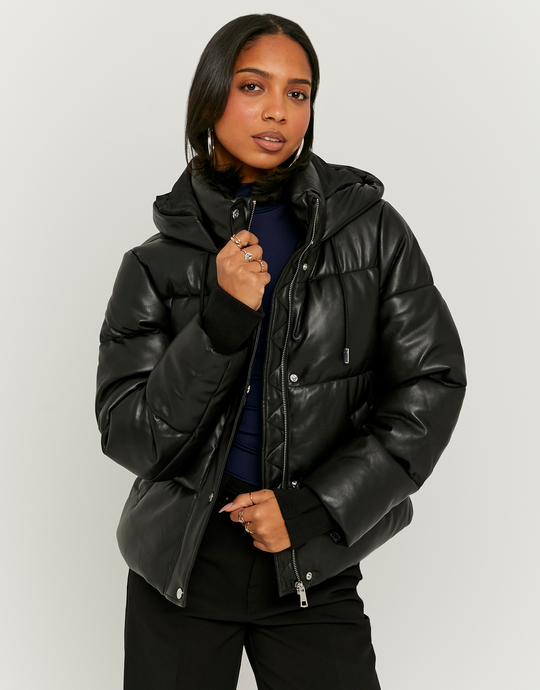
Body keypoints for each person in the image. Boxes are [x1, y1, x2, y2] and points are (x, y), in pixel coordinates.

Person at [95, 13, 466, 690]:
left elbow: (431, 383)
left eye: (298, 93)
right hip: (180, 566)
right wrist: (221, 322)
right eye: (252, 86)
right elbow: (132, 437)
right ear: (211, 97)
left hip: (310, 563)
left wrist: (314, 508)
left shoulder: (370, 233)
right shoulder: (153, 265)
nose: (278, 110)